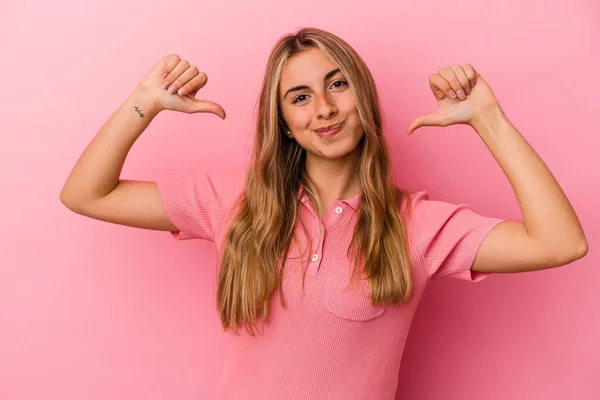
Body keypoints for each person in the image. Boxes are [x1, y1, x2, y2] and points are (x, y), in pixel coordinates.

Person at [60, 27, 588, 399]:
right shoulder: (233, 202)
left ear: (362, 97)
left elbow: (560, 242)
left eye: (337, 85)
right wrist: (144, 101)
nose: (325, 109)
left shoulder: (417, 225)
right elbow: (87, 193)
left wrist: (488, 118)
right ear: (284, 121)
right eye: (300, 96)